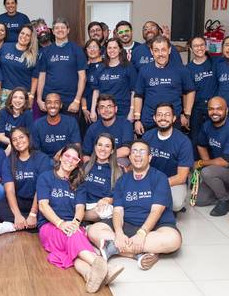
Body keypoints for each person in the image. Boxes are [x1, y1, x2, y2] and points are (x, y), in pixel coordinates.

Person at [89, 140, 182, 271]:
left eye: (142, 151)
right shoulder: (122, 180)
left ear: (150, 157)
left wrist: (142, 233)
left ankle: (113, 247)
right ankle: (138, 254)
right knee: (93, 230)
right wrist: (119, 233)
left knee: (173, 239)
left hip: (155, 227)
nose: (137, 155)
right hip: (127, 224)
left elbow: (156, 211)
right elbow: (118, 211)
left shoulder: (160, 178)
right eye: (134, 151)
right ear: (130, 157)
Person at [36, 144, 118, 293]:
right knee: (75, 237)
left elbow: (80, 208)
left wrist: (75, 222)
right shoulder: (46, 177)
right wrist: (60, 223)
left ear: (78, 163)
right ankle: (104, 266)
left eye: (74, 159)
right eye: (67, 156)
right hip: (50, 226)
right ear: (60, 157)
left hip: (71, 226)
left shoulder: (79, 183)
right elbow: (43, 205)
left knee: (75, 250)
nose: (70, 160)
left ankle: (89, 275)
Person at [194, 96, 229, 217]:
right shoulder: (207, 125)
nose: (215, 112)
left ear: (226, 110)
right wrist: (208, 166)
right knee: (199, 200)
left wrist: (202, 164)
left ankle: (224, 200)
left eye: (219, 109)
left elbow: (225, 162)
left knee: (207, 172)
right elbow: (201, 145)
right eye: (211, 109)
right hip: (220, 169)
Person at [0, 127, 51, 235]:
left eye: (21, 137)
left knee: (49, 213)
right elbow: (10, 190)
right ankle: (28, 224)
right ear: (12, 143)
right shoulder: (8, 161)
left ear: (28, 138)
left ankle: (13, 226)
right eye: (14, 140)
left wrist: (33, 213)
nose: (18, 141)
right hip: (19, 201)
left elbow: (41, 189)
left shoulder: (42, 158)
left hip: (38, 201)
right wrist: (17, 215)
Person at [133, 36, 194, 134]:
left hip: (174, 120)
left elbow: (190, 91)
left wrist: (187, 114)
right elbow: (138, 95)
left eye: (163, 50)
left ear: (169, 50)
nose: (160, 54)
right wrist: (137, 120)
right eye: (156, 50)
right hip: (149, 120)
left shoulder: (181, 70)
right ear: (151, 51)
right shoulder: (144, 70)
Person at [142, 103, 194, 212]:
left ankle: (164, 206)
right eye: (159, 115)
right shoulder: (147, 136)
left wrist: (158, 184)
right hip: (150, 179)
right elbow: (141, 164)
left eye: (167, 115)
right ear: (154, 118)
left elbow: (182, 177)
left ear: (174, 118)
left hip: (173, 182)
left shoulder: (183, 141)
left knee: (176, 204)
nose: (163, 118)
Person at [36, 17, 87, 115]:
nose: (60, 30)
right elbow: (42, 76)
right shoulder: (46, 51)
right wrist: (39, 99)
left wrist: (77, 100)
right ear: (53, 31)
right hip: (50, 99)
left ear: (68, 30)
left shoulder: (76, 49)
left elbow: (83, 77)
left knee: (70, 125)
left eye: (63, 27)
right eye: (57, 28)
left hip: (70, 100)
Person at [81, 134, 123, 222]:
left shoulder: (118, 170)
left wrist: (109, 200)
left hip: (100, 207)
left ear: (112, 150)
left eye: (107, 146)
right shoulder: (86, 166)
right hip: (82, 204)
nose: (102, 149)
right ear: (95, 147)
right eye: (100, 145)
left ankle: (76, 217)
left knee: (108, 211)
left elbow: (120, 194)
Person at [92, 38, 137, 120]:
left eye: (115, 48)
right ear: (106, 50)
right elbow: (96, 90)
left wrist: (132, 111)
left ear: (120, 49)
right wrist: (93, 110)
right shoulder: (101, 67)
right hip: (104, 111)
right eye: (109, 48)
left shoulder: (128, 67)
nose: (112, 50)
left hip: (123, 111)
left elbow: (134, 91)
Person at [186, 36, 218, 151]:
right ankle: (196, 162)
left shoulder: (215, 61)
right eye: (196, 46)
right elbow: (187, 93)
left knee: (213, 139)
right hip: (197, 109)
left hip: (214, 108)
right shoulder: (188, 69)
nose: (199, 48)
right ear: (191, 49)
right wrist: (187, 114)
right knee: (196, 139)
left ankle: (212, 162)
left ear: (205, 46)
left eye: (201, 45)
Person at [82, 94, 133, 160]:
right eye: (102, 107)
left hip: (117, 161)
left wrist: (103, 158)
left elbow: (126, 150)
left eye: (109, 106)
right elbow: (85, 154)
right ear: (98, 111)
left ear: (116, 109)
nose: (106, 110)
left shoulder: (125, 124)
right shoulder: (93, 128)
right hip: (97, 162)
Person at [0, 24, 38, 106]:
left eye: (28, 35)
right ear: (19, 34)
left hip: (23, 94)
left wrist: (31, 95)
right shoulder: (6, 46)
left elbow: (35, 78)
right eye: (22, 33)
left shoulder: (34, 56)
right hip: (4, 92)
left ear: (31, 39)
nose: (24, 36)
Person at [31, 93, 81, 158]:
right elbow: (35, 151)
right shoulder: (37, 124)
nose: (52, 105)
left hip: (67, 159)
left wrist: (61, 154)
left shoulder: (71, 122)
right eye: (49, 102)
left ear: (61, 105)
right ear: (45, 105)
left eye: (56, 102)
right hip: (44, 160)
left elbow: (76, 146)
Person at [81, 38, 103, 133]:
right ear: (86, 51)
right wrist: (84, 109)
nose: (92, 49)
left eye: (94, 47)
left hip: (103, 106)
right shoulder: (84, 68)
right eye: (89, 47)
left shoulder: (106, 65)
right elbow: (82, 88)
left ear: (100, 49)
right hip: (88, 108)